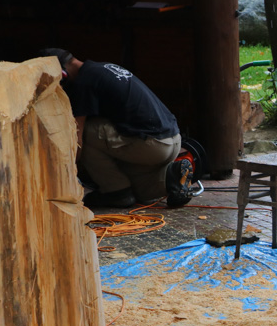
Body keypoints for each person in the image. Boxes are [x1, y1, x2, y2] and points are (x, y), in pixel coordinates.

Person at [40, 48, 193, 208]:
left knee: (87, 133)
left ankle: (116, 192)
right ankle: (171, 178)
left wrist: (64, 171)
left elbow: (76, 138)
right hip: (172, 140)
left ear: (61, 74)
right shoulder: (103, 68)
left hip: (152, 145)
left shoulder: (83, 82)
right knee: (137, 189)